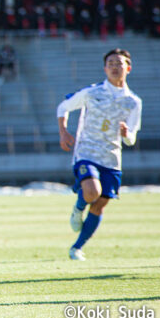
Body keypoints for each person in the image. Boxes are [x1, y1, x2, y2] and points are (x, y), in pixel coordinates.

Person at [57, 48, 141, 261]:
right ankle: (78, 208)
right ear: (104, 68)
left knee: (100, 204)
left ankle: (77, 247)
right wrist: (63, 131)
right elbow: (63, 107)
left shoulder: (133, 102)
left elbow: (130, 139)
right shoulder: (92, 92)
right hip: (87, 152)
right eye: (110, 63)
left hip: (112, 159)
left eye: (119, 63)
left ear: (128, 68)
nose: (115, 67)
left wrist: (126, 133)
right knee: (92, 191)